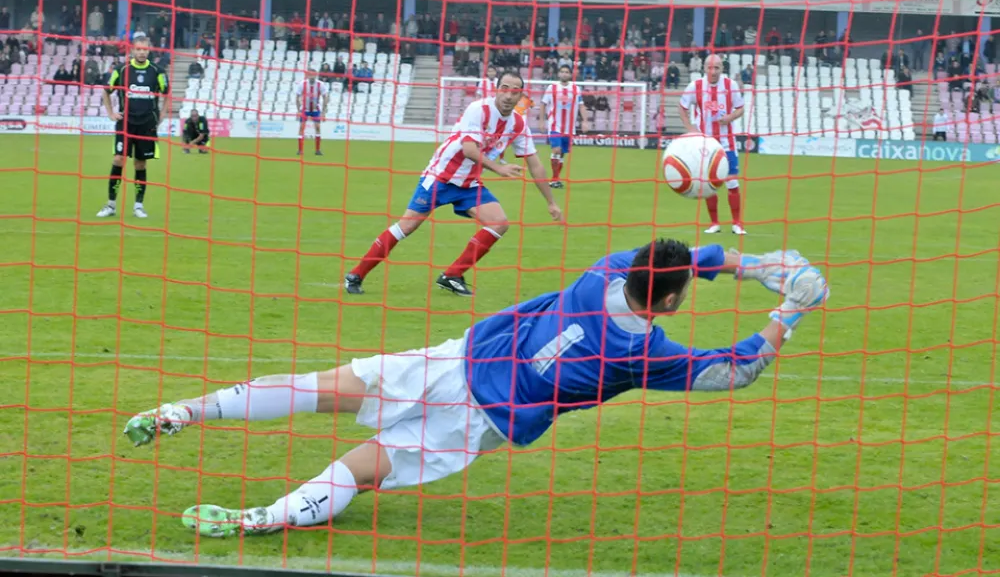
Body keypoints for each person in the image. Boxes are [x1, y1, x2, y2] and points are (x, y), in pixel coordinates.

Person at [121, 240, 829, 538]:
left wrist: (752, 263)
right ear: (672, 303)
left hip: (454, 358)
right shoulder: (646, 352)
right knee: (369, 466)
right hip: (485, 417)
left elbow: (683, 258)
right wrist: (786, 307)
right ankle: (265, 518)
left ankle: (185, 409)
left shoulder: (601, 274)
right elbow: (736, 369)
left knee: (318, 388)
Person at [343, 72, 562, 298]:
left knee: (499, 223)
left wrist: (551, 202)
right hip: (440, 177)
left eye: (514, 91)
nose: (508, 95)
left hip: (469, 184)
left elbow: (535, 165)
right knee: (406, 227)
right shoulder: (479, 109)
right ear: (496, 89)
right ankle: (356, 274)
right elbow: (469, 150)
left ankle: (452, 275)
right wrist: (499, 168)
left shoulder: (518, 124)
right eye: (504, 88)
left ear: (520, 96)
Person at [96, 32, 169, 220]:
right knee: (118, 159)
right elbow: (106, 91)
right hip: (125, 123)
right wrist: (111, 113)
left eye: (145, 49)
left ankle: (138, 205)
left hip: (147, 125)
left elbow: (167, 94)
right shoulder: (121, 70)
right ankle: (111, 204)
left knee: (140, 163)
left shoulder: (158, 71)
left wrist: (161, 115)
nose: (142, 53)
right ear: (132, 50)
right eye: (138, 49)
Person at [678, 54, 746, 236]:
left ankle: (737, 223)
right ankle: (714, 223)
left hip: (727, 143)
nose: (713, 71)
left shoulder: (730, 85)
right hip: (705, 145)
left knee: (732, 182)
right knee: (709, 185)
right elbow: (682, 106)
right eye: (709, 67)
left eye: (716, 68)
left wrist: (730, 117)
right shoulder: (696, 86)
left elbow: (741, 107)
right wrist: (690, 127)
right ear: (704, 68)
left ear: (722, 69)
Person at [540, 64, 581, 190]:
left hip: (569, 128)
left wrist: (584, 120)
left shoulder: (576, 89)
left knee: (562, 154)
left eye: (567, 72)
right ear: (559, 74)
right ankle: (554, 179)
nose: (564, 74)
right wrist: (542, 120)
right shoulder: (551, 88)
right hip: (554, 125)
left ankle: (556, 179)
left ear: (570, 74)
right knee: (556, 150)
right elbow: (543, 104)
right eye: (562, 71)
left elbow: (581, 104)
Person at [296, 72, 329, 156]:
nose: (312, 77)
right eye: (310, 75)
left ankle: (317, 150)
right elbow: (297, 96)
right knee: (301, 128)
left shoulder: (320, 84)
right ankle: (300, 150)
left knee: (318, 127)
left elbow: (325, 97)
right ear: (308, 76)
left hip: (315, 109)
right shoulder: (302, 84)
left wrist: (324, 111)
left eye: (313, 75)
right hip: (305, 109)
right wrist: (298, 110)